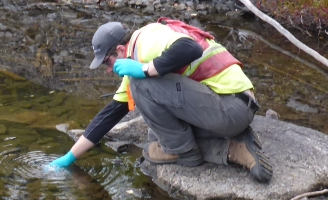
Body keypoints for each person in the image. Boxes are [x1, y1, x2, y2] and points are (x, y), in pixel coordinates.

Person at [48, 19, 272, 181]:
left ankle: (185, 152)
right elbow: (110, 114)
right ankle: (236, 148)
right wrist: (69, 157)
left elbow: (190, 48)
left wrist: (145, 70)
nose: (108, 70)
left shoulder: (148, 39)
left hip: (230, 108)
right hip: (231, 108)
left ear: (119, 49)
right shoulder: (139, 55)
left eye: (107, 62)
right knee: (155, 134)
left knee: (144, 94)